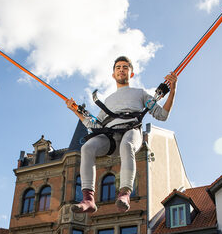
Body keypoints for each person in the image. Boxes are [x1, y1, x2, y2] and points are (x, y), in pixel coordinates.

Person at [66, 56, 178, 213]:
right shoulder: (108, 100)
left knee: (127, 144)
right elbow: (95, 125)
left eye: (125, 67)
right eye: (118, 67)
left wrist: (172, 90)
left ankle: (125, 193)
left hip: (131, 131)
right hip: (110, 136)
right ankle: (88, 198)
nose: (121, 69)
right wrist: (76, 111)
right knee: (87, 148)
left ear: (131, 73)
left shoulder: (140, 94)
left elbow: (162, 114)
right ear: (113, 74)